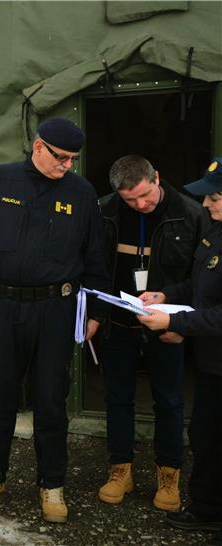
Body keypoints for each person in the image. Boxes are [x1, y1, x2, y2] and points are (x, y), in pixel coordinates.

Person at [0, 118, 109, 523]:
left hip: (56, 310)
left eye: (73, 158)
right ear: (38, 147)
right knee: (0, 395)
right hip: (0, 306)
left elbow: (95, 257)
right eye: (60, 157)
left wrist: (95, 312)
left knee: (51, 399)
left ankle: (51, 484)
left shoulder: (81, 192)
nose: (67, 165)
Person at [96, 155, 208, 511]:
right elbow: (94, 266)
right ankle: (120, 470)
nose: (140, 205)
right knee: (116, 398)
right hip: (117, 325)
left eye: (145, 195)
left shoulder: (191, 214)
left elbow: (202, 281)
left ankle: (169, 474)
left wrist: (183, 327)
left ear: (156, 177)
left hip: (167, 329)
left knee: (170, 401)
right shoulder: (104, 212)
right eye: (131, 200)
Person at [138, 158, 222, 546]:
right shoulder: (217, 233)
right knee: (206, 436)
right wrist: (167, 296)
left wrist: (173, 323)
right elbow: (199, 287)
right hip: (211, 364)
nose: (206, 205)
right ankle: (207, 509)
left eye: (215, 197)